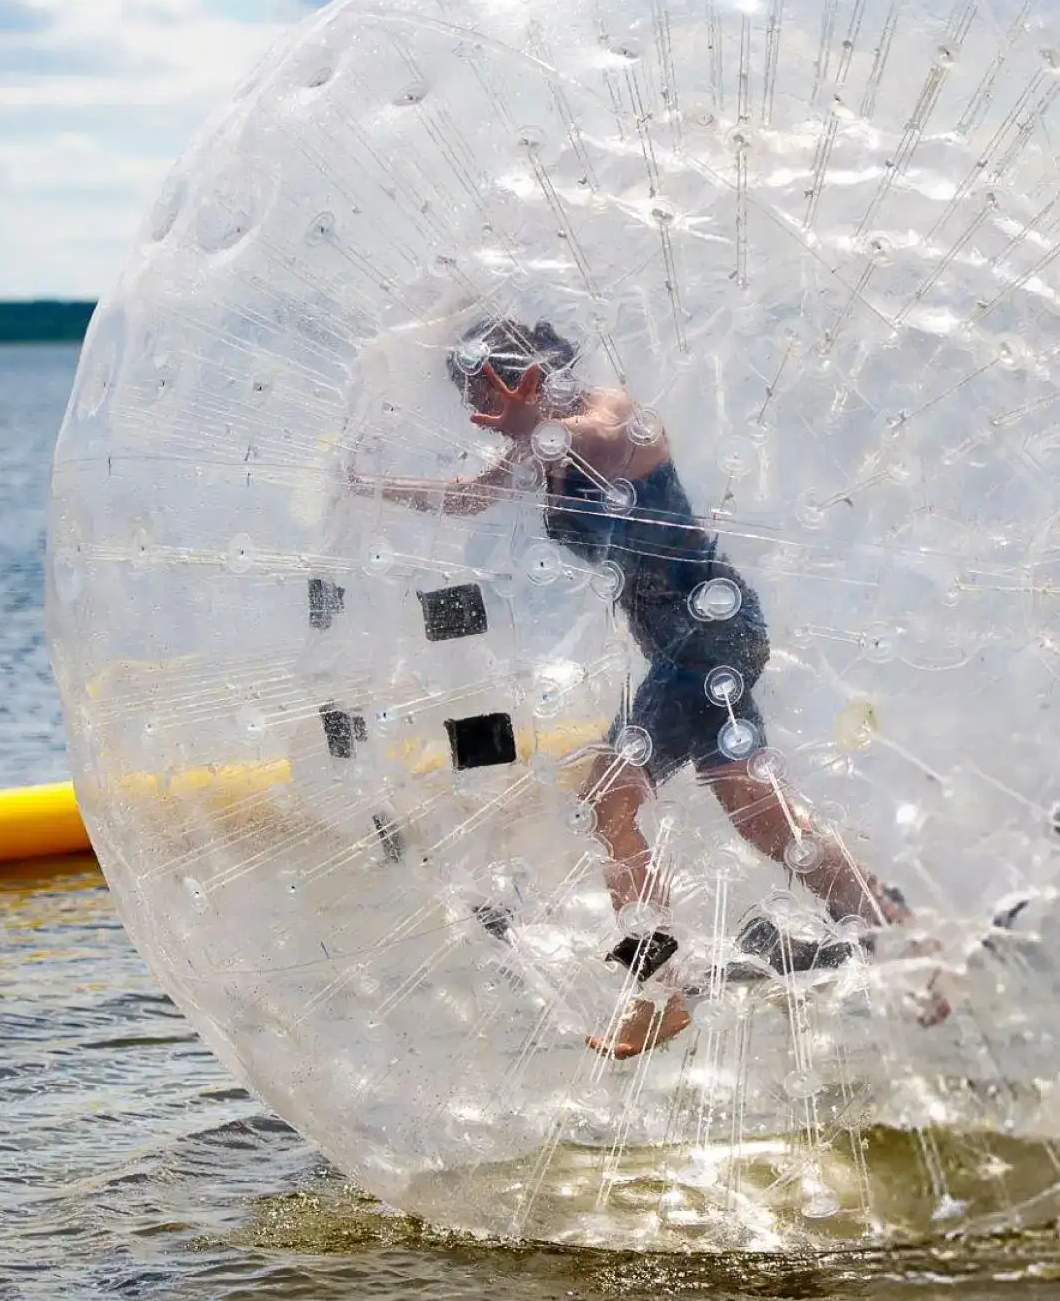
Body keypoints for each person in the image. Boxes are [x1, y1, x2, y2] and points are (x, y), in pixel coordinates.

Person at [344, 318, 944, 1058]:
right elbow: (471, 495)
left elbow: (597, 436)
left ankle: (657, 993)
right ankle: (901, 939)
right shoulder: (538, 450)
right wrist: (373, 486)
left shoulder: (610, 411)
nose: (487, 417)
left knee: (607, 802)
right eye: (476, 403)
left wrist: (539, 427)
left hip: (708, 626)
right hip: (688, 641)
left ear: (531, 372)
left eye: (492, 394)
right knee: (766, 821)